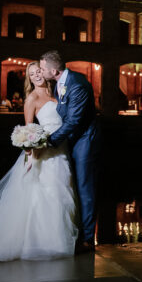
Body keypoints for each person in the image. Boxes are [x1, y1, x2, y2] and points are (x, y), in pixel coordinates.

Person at [0, 62, 78, 261]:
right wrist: (30, 155)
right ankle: (41, 243)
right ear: (29, 78)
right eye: (32, 74)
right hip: (44, 153)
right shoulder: (32, 98)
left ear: (44, 73)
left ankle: (58, 241)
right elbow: (28, 131)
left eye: (38, 72)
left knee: (64, 190)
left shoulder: (57, 94)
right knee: (47, 192)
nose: (36, 76)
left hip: (62, 150)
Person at [40, 50, 101, 253]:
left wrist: (49, 142)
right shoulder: (60, 82)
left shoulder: (77, 84)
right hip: (70, 141)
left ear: (53, 70)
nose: (40, 72)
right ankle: (72, 233)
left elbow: (74, 120)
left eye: (42, 68)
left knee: (85, 189)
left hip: (84, 141)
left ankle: (87, 239)